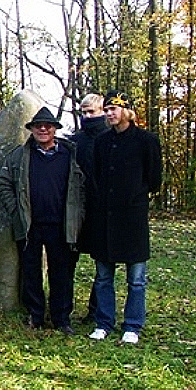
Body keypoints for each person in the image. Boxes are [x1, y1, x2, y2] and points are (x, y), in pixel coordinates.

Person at [0, 107, 85, 334]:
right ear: (32, 129)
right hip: (29, 224)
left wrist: (79, 215)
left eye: (47, 126)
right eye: (38, 126)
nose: (43, 129)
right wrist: (16, 210)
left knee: (61, 273)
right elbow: (4, 182)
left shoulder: (70, 154)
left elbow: (82, 186)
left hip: (62, 224)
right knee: (31, 272)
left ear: (55, 129)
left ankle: (61, 318)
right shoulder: (19, 155)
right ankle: (35, 315)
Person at [88, 91, 162, 344]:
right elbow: (96, 175)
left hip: (132, 218)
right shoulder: (102, 141)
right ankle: (104, 322)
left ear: (126, 111)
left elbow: (154, 179)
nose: (109, 114)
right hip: (105, 218)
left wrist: (134, 197)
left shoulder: (146, 141)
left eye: (114, 109)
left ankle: (132, 325)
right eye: (106, 109)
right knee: (104, 276)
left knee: (136, 279)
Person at [69, 93, 109, 322]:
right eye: (83, 112)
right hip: (76, 208)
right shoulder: (75, 141)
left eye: (91, 112)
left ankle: (96, 310)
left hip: (101, 209)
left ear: (102, 111)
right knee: (68, 260)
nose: (87, 116)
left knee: (102, 265)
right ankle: (64, 307)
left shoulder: (110, 139)